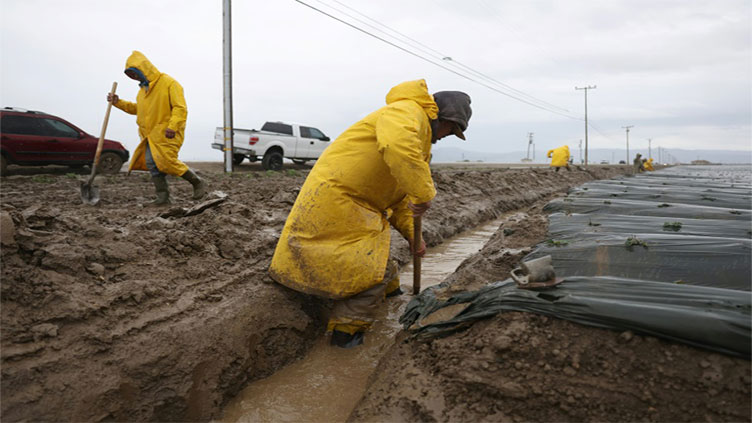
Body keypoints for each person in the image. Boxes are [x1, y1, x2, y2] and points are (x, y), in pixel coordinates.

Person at [269, 79, 471, 348]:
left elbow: (399, 201)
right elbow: (397, 147)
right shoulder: (407, 112)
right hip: (340, 202)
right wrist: (424, 192)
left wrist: (414, 237)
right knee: (367, 278)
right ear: (440, 116)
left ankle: (393, 306)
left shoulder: (420, 140)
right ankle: (345, 338)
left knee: (384, 267)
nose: (448, 134)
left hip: (358, 207)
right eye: (452, 128)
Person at [108, 50, 206, 206]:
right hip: (149, 136)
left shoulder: (169, 83)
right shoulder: (142, 92)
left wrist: (173, 126)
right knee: (153, 164)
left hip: (167, 134)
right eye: (130, 75)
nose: (134, 77)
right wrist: (118, 102)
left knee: (167, 162)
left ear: (144, 68)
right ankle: (163, 197)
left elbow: (180, 108)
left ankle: (197, 182)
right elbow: (137, 109)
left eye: (134, 73)